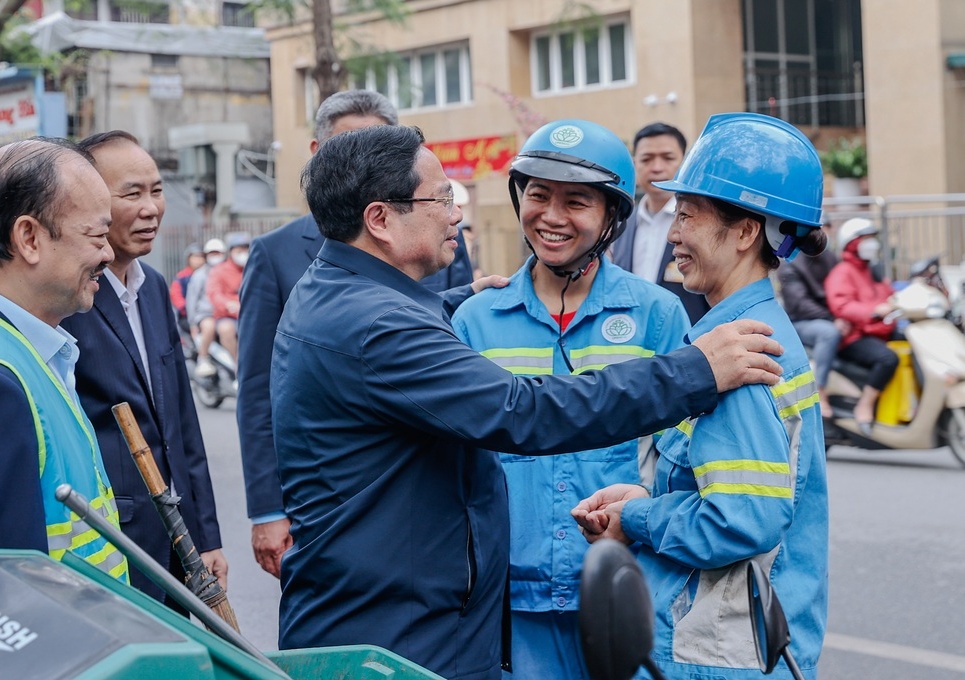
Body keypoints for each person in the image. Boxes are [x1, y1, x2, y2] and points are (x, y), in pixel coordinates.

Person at [273, 123, 787, 680]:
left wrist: (449, 304)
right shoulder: (390, 324)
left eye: (577, 201)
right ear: (379, 219)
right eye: (442, 199)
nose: (456, 214)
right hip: (400, 632)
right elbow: (524, 410)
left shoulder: (346, 296)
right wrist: (696, 370)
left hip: (444, 609)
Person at [574, 112, 829, 680]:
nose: (673, 234)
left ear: (745, 232)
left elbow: (741, 517)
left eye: (687, 215)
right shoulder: (742, 334)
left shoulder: (742, 354)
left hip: (718, 654)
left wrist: (637, 516)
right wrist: (643, 495)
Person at [451, 119, 690, 679]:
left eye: (576, 202)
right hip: (510, 604)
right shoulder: (475, 321)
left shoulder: (657, 315)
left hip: (625, 594)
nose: (551, 217)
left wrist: (644, 504)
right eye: (538, 195)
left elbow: (684, 455)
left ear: (611, 217)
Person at [237, 89, 475, 578]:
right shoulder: (276, 252)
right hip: (335, 495)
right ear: (317, 153)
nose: (367, 161)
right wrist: (267, 508)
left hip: (431, 490)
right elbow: (260, 386)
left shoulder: (439, 233)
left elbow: (454, 342)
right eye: (350, 144)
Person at [0, 137, 128, 581]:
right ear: (29, 238)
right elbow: (2, 592)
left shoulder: (22, 349)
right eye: (97, 235)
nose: (108, 253)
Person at [61, 130, 227, 606]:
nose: (151, 208)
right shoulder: (70, 299)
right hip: (114, 542)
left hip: (179, 542)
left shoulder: (153, 286)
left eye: (156, 190)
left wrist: (205, 535)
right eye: (131, 193)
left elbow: (182, 423)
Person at [611, 122, 710, 323]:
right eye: (646, 159)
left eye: (668, 158)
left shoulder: (704, 222)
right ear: (634, 164)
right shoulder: (621, 223)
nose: (657, 168)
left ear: (685, 162)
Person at [824, 217, 900, 432]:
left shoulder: (871, 271)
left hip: (878, 330)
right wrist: (874, 311)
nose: (872, 243)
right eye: (866, 239)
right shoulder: (843, 272)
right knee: (888, 359)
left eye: (873, 238)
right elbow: (842, 305)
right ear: (852, 243)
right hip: (854, 336)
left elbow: (890, 294)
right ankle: (864, 406)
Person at [777, 212, 846, 418]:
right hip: (801, 322)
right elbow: (799, 305)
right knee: (828, 333)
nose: (824, 233)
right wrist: (834, 319)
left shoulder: (831, 258)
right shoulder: (791, 263)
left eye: (827, 228)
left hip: (831, 317)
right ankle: (820, 391)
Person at [206, 231, 249, 362]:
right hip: (227, 316)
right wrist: (228, 304)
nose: (243, 253)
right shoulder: (219, 270)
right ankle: (237, 364)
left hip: (250, 314)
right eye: (239, 250)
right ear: (231, 251)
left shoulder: (253, 269)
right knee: (226, 329)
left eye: (246, 249)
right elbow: (214, 293)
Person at [187, 237, 226, 377]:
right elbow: (192, 299)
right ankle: (203, 358)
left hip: (227, 314)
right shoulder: (200, 274)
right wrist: (192, 323)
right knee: (209, 327)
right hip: (206, 314)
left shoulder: (229, 271)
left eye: (218, 253)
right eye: (212, 253)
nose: (215, 256)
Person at [169, 242, 205, 331]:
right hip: (186, 316)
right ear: (189, 258)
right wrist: (186, 309)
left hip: (206, 314)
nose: (198, 260)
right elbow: (175, 294)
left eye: (201, 257)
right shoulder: (182, 276)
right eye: (195, 256)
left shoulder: (210, 275)